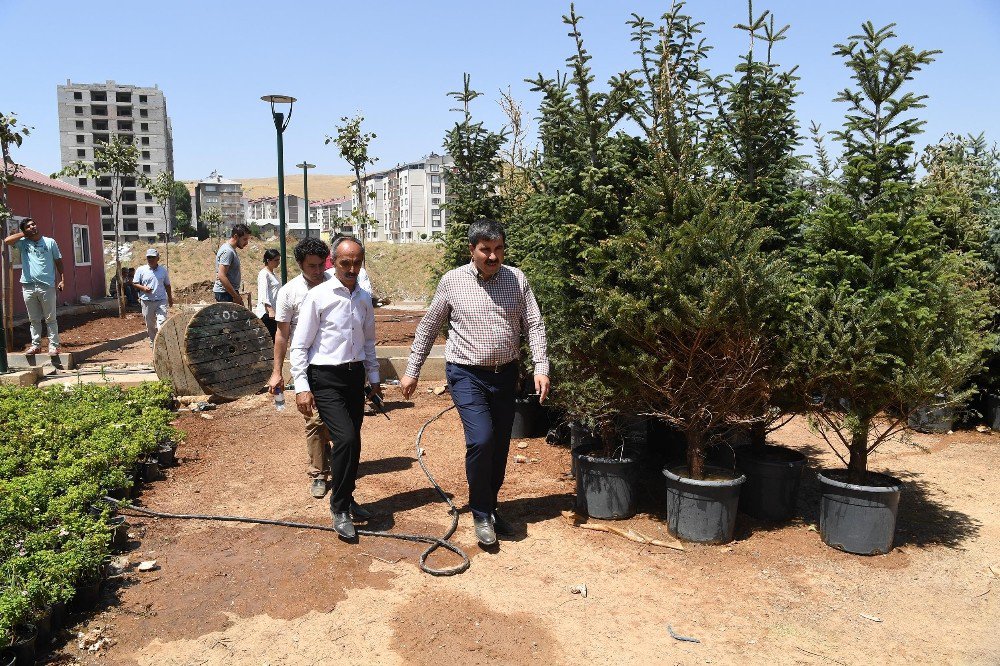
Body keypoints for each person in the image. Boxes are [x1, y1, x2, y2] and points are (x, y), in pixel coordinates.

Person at [400, 219, 550, 547]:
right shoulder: (452, 281)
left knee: (499, 446)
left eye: (498, 249)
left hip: (505, 374)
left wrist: (541, 365)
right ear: (472, 250)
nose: (493, 256)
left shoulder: (516, 279)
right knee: (481, 440)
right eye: (486, 250)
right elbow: (428, 326)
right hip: (466, 374)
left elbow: (534, 323)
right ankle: (481, 512)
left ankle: (491, 507)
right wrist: (413, 369)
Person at [290, 236, 381, 540]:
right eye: (345, 263)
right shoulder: (318, 296)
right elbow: (300, 346)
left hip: (354, 377)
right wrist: (301, 386)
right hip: (325, 378)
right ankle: (339, 507)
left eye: (357, 262)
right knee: (346, 438)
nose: (352, 268)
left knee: (354, 443)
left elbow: (368, 341)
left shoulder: (364, 298)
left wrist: (374, 377)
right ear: (334, 262)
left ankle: (348, 495)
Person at [267, 238, 336, 499]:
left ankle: (329, 457)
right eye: (312, 266)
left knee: (333, 419)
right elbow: (282, 335)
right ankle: (319, 473)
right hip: (304, 364)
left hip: (333, 363)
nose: (318, 272)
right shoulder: (289, 292)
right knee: (314, 419)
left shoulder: (335, 284)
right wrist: (277, 371)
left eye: (321, 265)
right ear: (299, 264)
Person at [3, 217, 65, 355]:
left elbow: (58, 261)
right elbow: (7, 241)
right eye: (28, 226)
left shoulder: (50, 242)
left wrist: (62, 279)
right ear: (25, 230)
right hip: (28, 285)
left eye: (34, 224)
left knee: (50, 318)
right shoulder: (23, 243)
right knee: (33, 319)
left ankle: (54, 346)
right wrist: (24, 234)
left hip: (46, 285)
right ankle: (36, 346)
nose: (32, 227)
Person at [132, 248, 173, 348]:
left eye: (152, 257)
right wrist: (143, 288)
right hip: (147, 301)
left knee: (161, 323)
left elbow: (167, 285)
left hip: (161, 300)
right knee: (150, 324)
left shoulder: (163, 270)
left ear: (158, 258)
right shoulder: (141, 270)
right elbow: (135, 283)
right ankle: (153, 342)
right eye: (148, 257)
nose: (150, 259)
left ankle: (161, 343)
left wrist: (170, 298)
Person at [214, 223, 250, 304]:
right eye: (244, 239)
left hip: (229, 293)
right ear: (236, 236)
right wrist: (235, 296)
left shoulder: (231, 250)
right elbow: (221, 275)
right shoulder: (228, 251)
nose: (247, 243)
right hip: (225, 294)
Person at [254, 249, 281, 339]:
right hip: (267, 314)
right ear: (268, 260)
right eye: (276, 260)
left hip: (274, 312)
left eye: (279, 260)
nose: (278, 262)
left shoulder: (273, 273)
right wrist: (270, 310)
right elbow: (263, 293)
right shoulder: (264, 274)